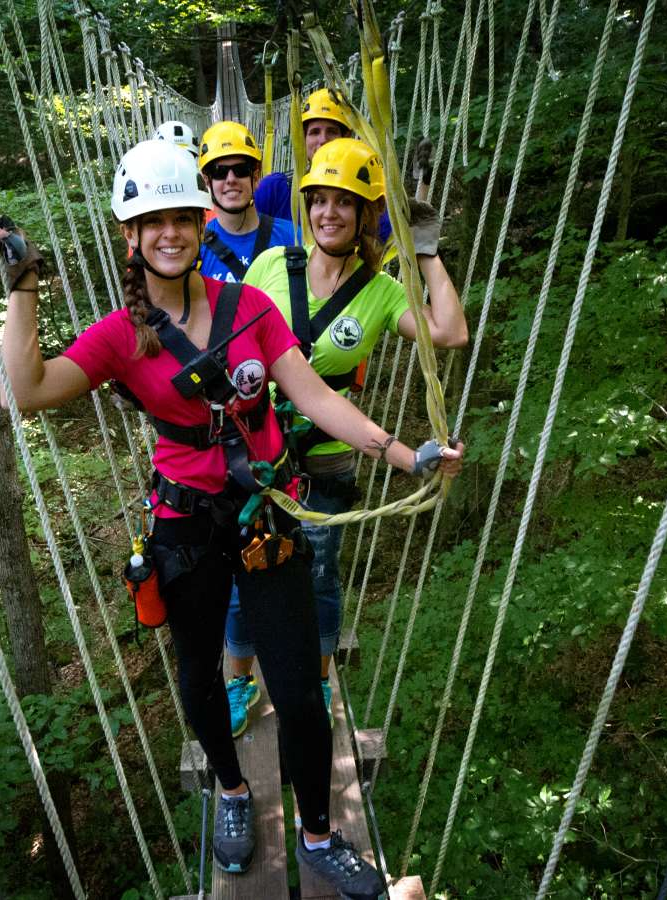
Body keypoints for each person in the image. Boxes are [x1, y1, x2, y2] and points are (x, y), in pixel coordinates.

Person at [0, 139, 462, 894]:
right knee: (199, 678)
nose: (170, 233)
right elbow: (32, 388)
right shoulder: (122, 336)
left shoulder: (252, 307)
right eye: (153, 223)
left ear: (200, 223)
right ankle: (234, 793)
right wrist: (23, 286)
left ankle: (316, 832)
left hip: (263, 516)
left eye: (181, 217)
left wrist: (404, 455)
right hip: (184, 528)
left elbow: (313, 396)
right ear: (132, 237)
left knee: (301, 688)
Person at [223, 138, 467, 735]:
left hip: (330, 459)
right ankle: (238, 681)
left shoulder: (381, 292)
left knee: (320, 570)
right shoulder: (273, 266)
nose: (328, 212)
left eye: (344, 202)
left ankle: (319, 677)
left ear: (365, 215)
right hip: (259, 454)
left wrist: (427, 253)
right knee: (243, 571)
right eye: (320, 200)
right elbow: (235, 344)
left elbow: (449, 332)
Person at [254, 88, 394, 243]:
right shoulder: (276, 190)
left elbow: (394, 240)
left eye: (332, 132)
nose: (323, 140)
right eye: (314, 132)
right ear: (303, 139)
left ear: (346, 138)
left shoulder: (363, 194)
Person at [196, 120, 295, 282]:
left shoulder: (293, 238)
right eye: (219, 172)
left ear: (255, 176)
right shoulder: (196, 250)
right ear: (207, 181)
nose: (231, 179)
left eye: (240, 170)